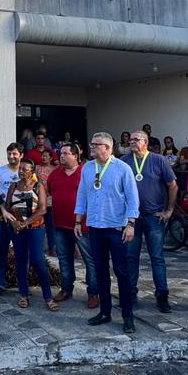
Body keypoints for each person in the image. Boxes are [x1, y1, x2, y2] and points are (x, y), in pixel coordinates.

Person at [75, 132, 139, 332]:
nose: (92, 147)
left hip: (117, 228)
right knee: (100, 270)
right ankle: (105, 312)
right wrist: (78, 220)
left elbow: (133, 198)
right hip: (95, 228)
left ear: (108, 148)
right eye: (92, 144)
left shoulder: (122, 168)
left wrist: (131, 224)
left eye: (97, 144)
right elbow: (82, 195)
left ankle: (127, 316)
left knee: (121, 271)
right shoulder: (87, 168)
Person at [121, 130, 177, 313]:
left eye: (136, 139)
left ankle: (162, 296)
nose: (132, 142)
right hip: (132, 218)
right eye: (131, 140)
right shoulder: (124, 161)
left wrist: (169, 210)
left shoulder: (158, 160)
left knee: (157, 257)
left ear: (145, 142)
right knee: (130, 257)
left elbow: (172, 185)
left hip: (154, 217)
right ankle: (130, 294)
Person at [2, 160, 58, 311]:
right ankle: (23, 294)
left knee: (38, 261)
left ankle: (48, 296)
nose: (21, 171)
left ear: (32, 171)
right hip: (17, 229)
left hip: (35, 228)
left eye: (24, 169)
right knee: (20, 260)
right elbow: (7, 208)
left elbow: (42, 210)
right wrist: (13, 222)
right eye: (20, 168)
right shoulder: (13, 186)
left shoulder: (38, 186)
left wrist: (25, 223)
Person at [48, 142, 98, 308]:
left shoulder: (87, 172)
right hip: (60, 225)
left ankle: (93, 293)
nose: (61, 156)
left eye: (65, 153)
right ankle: (66, 289)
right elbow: (49, 193)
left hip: (83, 226)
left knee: (90, 260)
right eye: (60, 153)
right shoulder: (54, 175)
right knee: (64, 259)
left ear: (76, 156)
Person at [0, 142, 24, 293]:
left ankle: (23, 285)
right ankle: (0, 283)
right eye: (9, 153)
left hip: (20, 221)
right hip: (2, 219)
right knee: (0, 252)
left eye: (15, 154)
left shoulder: (27, 171)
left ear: (21, 155)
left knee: (22, 253)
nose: (11, 156)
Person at [35, 145, 58, 254]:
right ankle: (38, 248)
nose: (43, 158)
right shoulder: (36, 168)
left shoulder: (55, 169)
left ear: (50, 158)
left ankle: (52, 247)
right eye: (42, 156)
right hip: (38, 200)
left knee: (50, 225)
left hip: (50, 200)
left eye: (46, 156)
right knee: (37, 224)